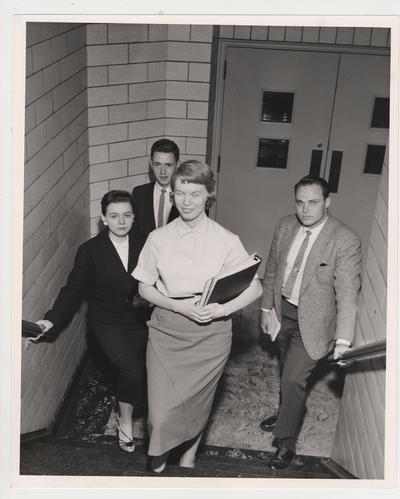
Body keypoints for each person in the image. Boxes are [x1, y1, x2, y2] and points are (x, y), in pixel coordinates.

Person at [132, 160, 263, 472]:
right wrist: (178, 306)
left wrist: (223, 309)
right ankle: (159, 459)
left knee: (199, 401)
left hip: (211, 335)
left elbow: (255, 288)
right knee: (160, 413)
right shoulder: (158, 238)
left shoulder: (226, 239)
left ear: (209, 196)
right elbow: (144, 287)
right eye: (180, 194)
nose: (186, 202)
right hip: (167, 331)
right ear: (172, 195)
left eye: (195, 194)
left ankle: (190, 454)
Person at [259, 175, 362, 470]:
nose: (305, 210)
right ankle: (285, 412)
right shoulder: (285, 225)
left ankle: (285, 443)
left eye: (314, 203)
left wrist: (343, 341)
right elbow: (272, 270)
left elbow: (347, 294)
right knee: (285, 372)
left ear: (327, 202)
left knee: (293, 378)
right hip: (282, 314)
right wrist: (267, 309)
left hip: (315, 324)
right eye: (300, 203)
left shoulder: (345, 239)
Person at [36, 190, 148, 454]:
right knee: (131, 371)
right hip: (106, 323)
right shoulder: (90, 251)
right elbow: (73, 289)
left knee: (137, 371)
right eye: (114, 216)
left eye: (127, 215)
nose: (121, 221)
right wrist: (52, 320)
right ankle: (125, 420)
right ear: (104, 219)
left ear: (133, 217)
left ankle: (126, 407)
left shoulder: (146, 242)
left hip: (139, 319)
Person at [131, 138, 180, 251]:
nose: (162, 171)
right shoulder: (139, 193)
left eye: (168, 165)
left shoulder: (185, 196)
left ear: (177, 165)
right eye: (157, 164)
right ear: (150, 164)